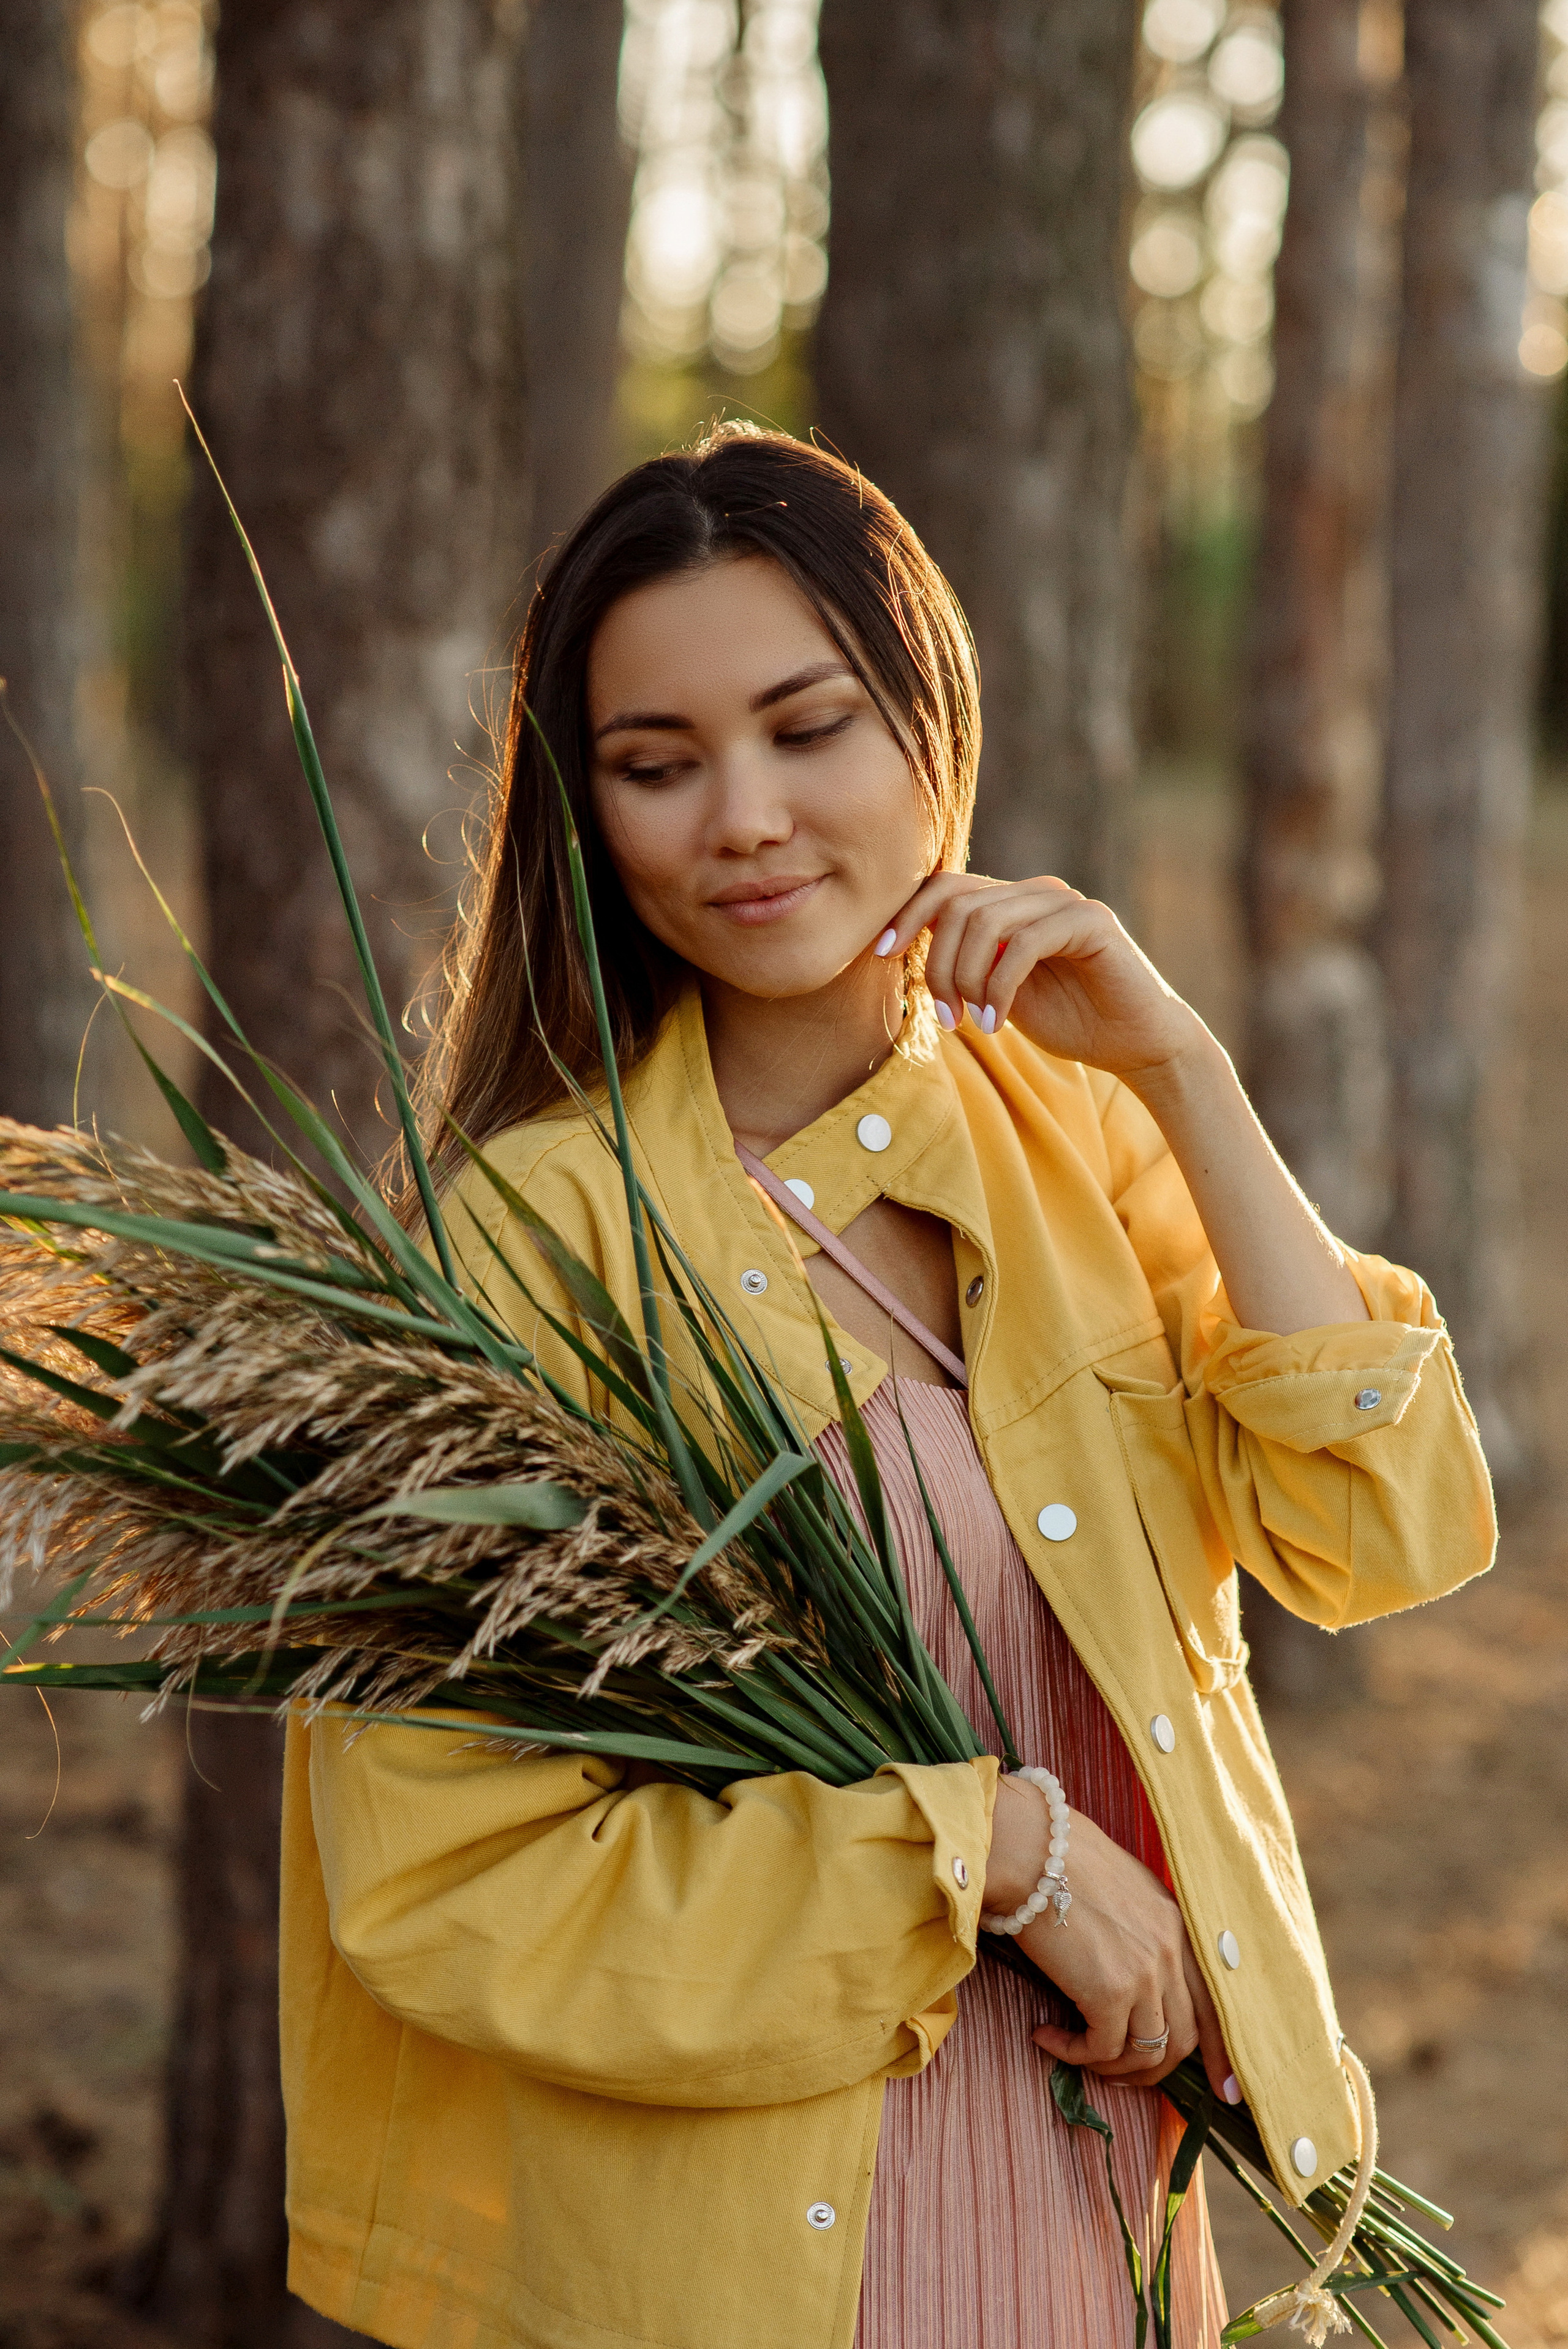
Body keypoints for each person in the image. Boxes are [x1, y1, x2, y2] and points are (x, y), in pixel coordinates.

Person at [278, 426, 1495, 2349]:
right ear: (587, 816)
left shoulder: (1080, 1134)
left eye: (807, 726)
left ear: (932, 716)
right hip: (739, 2260)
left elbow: (1382, 1525)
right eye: (656, 766)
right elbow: (451, 1880)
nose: (743, 817)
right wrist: (989, 1852)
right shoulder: (530, 1247)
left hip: (1102, 2224)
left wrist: (1185, 1070)